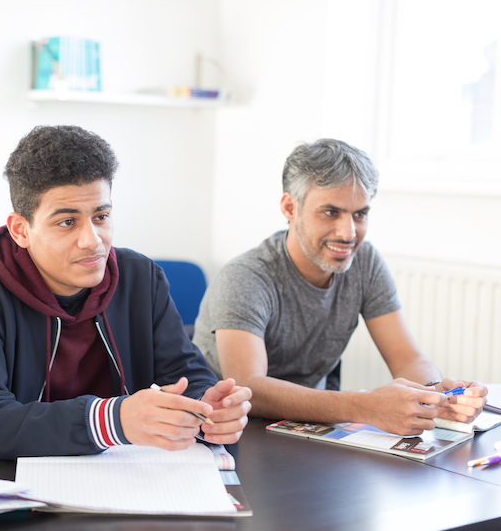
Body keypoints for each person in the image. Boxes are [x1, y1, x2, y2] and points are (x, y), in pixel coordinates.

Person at [0, 125, 251, 464]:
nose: (92, 240)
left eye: (101, 216)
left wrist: (207, 410)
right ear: (20, 229)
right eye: (67, 222)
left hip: (119, 473)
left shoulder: (141, 278)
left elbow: (185, 374)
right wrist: (111, 420)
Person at [193, 138, 487, 436]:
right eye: (331, 212)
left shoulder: (365, 262)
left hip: (309, 427)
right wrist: (365, 406)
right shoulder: (245, 277)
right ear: (290, 207)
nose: (348, 233)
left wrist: (435, 395)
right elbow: (249, 388)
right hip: (228, 430)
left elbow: (407, 358)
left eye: (360, 214)